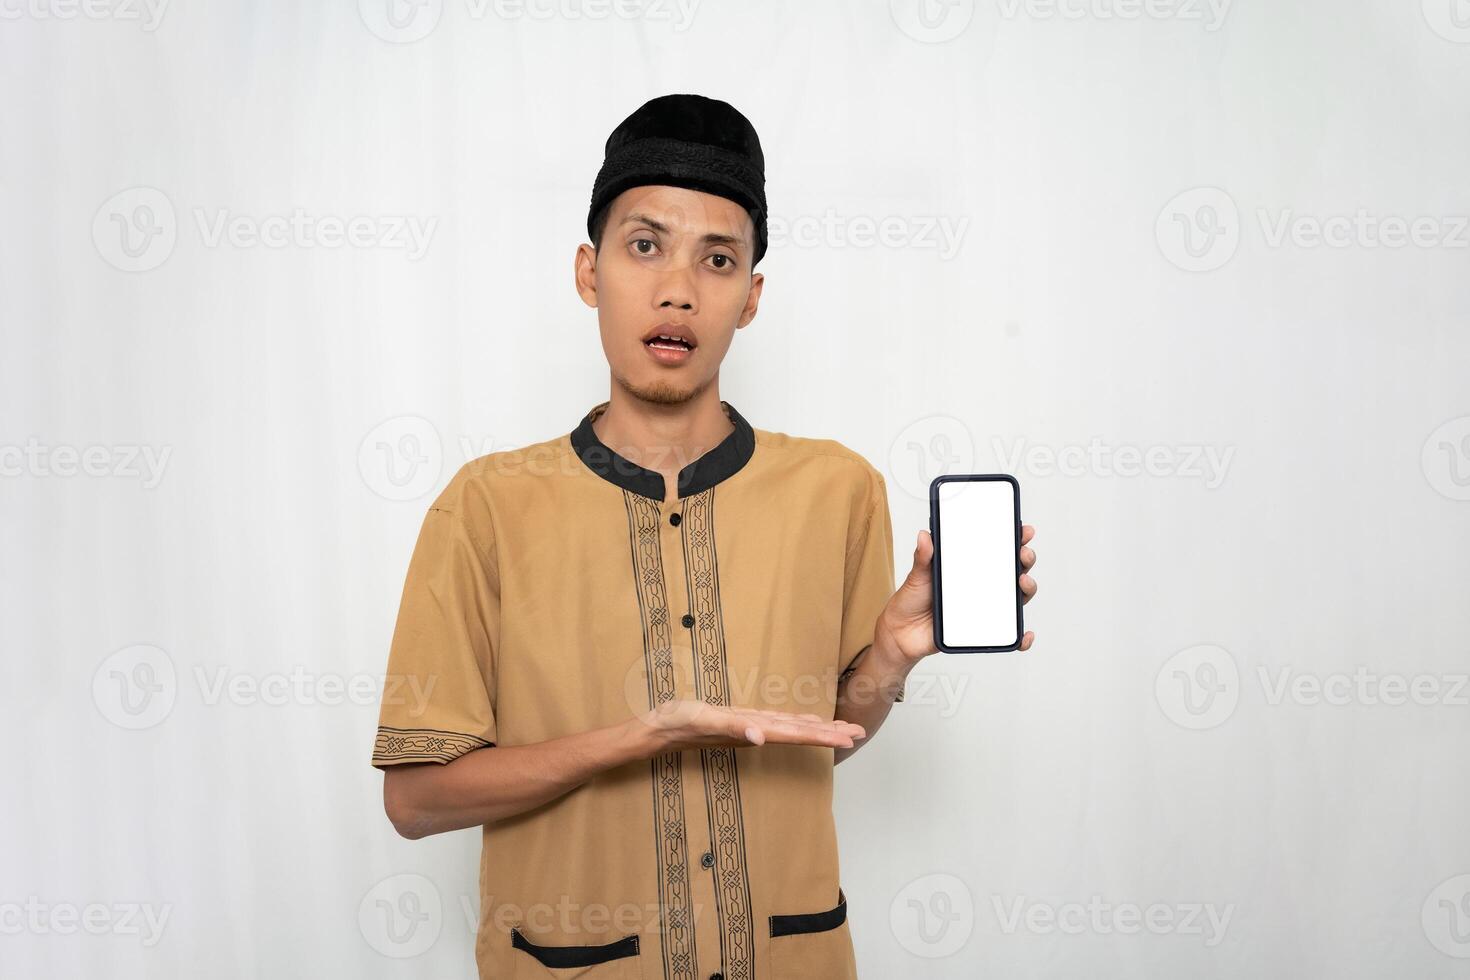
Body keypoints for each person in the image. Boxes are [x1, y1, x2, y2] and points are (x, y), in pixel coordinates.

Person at [370, 92, 1039, 980]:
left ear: (752, 297)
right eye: (644, 245)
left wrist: (886, 656)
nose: (678, 288)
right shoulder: (487, 506)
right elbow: (416, 800)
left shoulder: (838, 490)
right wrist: (640, 736)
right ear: (588, 271)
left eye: (717, 259)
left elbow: (831, 729)